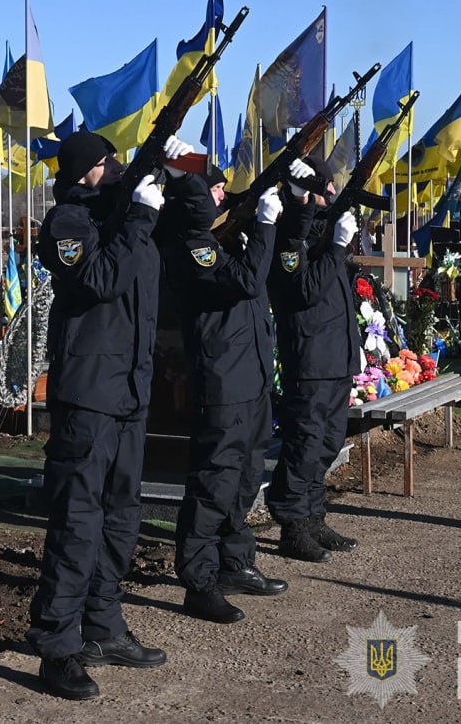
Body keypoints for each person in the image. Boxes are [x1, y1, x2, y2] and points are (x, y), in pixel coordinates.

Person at [26, 131, 169, 701]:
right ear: (83, 171)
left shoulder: (116, 217)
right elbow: (100, 280)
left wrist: (165, 173)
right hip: (88, 394)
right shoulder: (66, 223)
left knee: (120, 516)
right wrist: (136, 216)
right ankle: (56, 646)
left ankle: (104, 627)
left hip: (129, 390)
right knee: (77, 521)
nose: (115, 167)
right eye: (105, 161)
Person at [158, 153, 286, 624]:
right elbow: (249, 281)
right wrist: (267, 225)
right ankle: (199, 581)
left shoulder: (219, 236)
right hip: (223, 381)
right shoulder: (196, 245)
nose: (222, 195)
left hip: (249, 377)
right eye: (214, 189)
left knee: (246, 475)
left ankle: (235, 561)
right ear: (194, 200)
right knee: (215, 482)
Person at [265, 156, 364, 562]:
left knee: (326, 444)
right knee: (304, 445)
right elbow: (304, 291)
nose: (332, 193)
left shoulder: (321, 233)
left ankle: (313, 516)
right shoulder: (291, 239)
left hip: (336, 358)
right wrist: (337, 247)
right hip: (310, 361)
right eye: (325, 188)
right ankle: (292, 525)